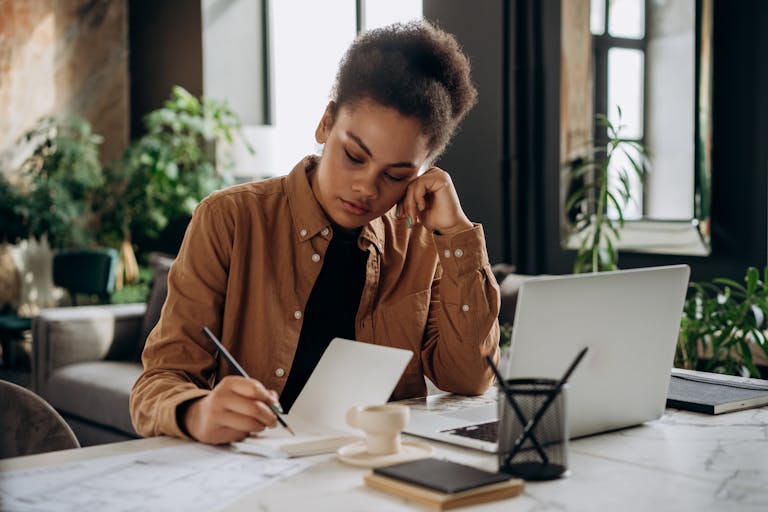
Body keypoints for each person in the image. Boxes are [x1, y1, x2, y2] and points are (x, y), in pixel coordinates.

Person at [129, 20, 501, 445]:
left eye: (396, 175)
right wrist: (196, 411)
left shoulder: (420, 239)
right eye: (354, 155)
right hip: (253, 471)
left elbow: (469, 378)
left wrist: (456, 235)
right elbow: (158, 382)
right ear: (326, 123)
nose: (367, 187)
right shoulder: (229, 218)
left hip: (371, 468)